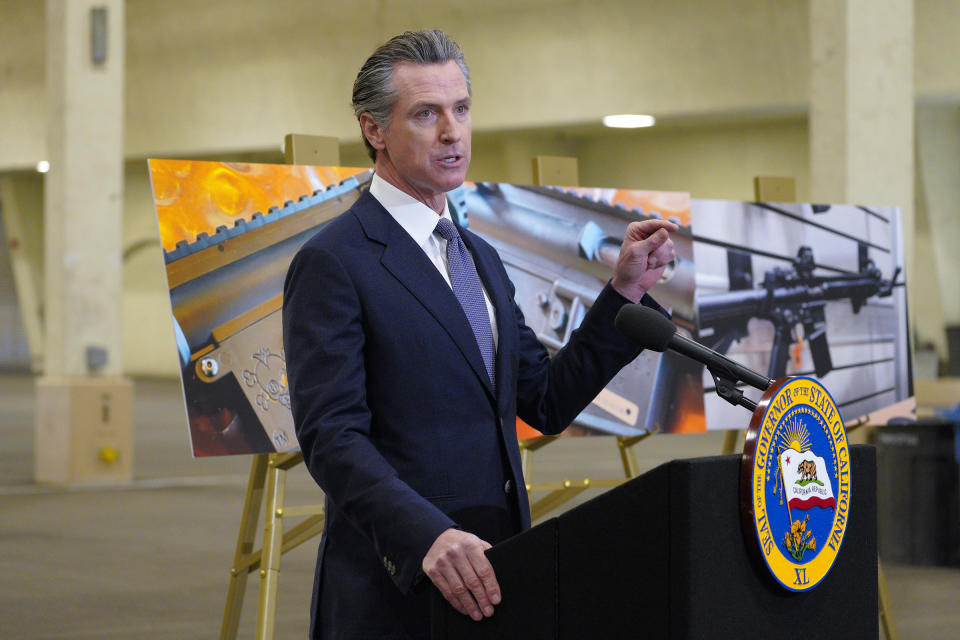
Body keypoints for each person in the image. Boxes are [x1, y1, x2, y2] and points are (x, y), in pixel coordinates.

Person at [282, 29, 677, 640]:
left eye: (461, 110)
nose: (452, 132)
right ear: (374, 130)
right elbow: (331, 438)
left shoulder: (481, 258)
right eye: (426, 114)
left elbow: (543, 401)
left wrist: (622, 293)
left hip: (496, 570)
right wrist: (425, 535)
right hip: (399, 584)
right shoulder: (335, 261)